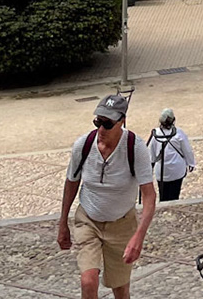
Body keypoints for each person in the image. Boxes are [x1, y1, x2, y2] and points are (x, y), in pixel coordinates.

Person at [58, 93, 157, 299]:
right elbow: (71, 183)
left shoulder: (135, 147)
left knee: (120, 289)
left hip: (121, 225)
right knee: (88, 281)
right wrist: (63, 223)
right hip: (88, 220)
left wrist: (139, 237)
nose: (101, 129)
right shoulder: (83, 145)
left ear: (122, 121)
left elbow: (149, 195)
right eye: (98, 122)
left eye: (107, 124)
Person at [147, 109, 196, 202]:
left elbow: (152, 154)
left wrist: (151, 165)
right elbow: (187, 150)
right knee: (174, 194)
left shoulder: (155, 134)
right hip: (177, 170)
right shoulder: (179, 133)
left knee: (163, 195)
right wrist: (191, 163)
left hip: (161, 170)